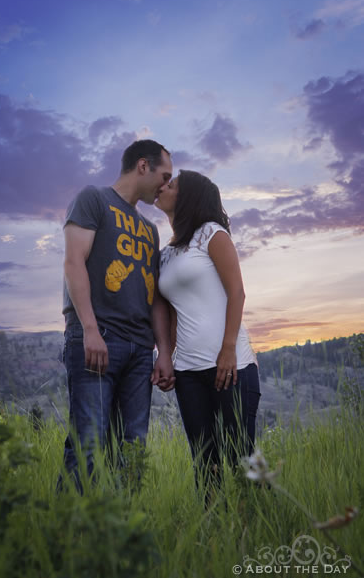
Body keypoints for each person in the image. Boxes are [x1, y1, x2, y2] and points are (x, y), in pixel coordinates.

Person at [57, 139, 175, 493]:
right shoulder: (93, 199)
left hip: (140, 350)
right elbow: (73, 262)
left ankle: (122, 538)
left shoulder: (149, 230)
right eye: (164, 175)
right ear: (143, 166)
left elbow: (153, 296)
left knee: (132, 450)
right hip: (98, 339)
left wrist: (163, 352)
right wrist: (89, 329)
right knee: (89, 445)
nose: (166, 185)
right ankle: (73, 537)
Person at [155, 170, 261, 499]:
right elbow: (172, 312)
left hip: (231, 366)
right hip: (187, 372)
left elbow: (237, 293)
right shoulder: (167, 253)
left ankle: (258, 524)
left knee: (240, 459)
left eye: (171, 184)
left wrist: (228, 349)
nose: (163, 186)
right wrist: (166, 357)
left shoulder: (212, 235)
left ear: (187, 197)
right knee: (204, 461)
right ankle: (214, 537)